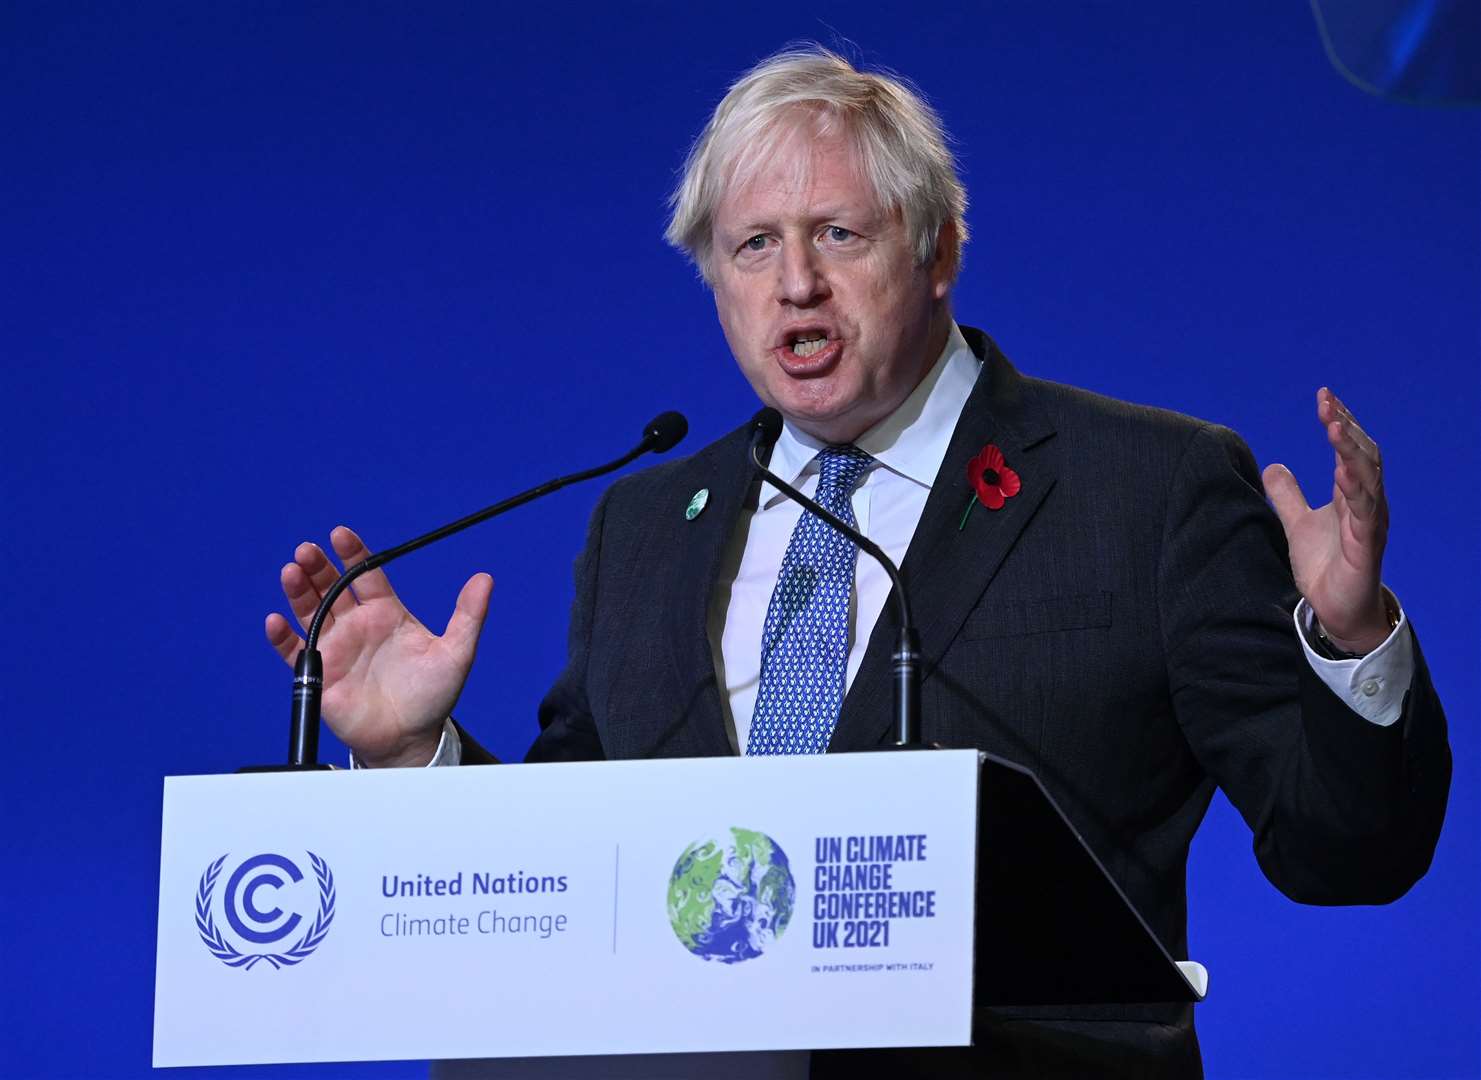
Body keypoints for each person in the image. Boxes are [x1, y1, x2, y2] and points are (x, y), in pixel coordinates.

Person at [265, 47, 1449, 1078]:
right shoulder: (640, 525)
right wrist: (416, 752)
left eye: (837, 234)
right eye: (751, 246)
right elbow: (590, 878)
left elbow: (1345, 853)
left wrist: (1349, 646)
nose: (795, 284)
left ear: (936, 251)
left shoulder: (1144, 489)